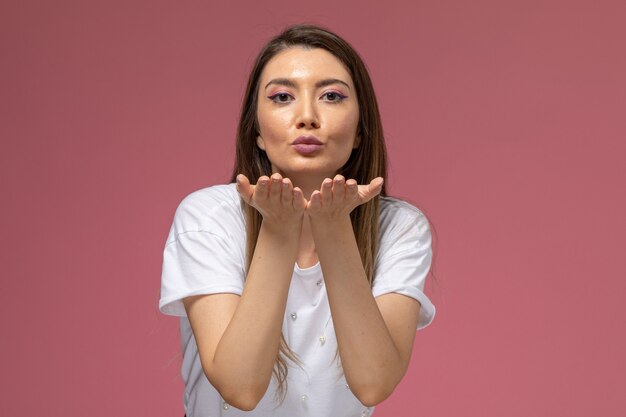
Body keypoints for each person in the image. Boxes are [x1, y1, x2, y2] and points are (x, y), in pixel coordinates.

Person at [159, 24, 436, 417]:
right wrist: (278, 228)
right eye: (283, 97)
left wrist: (334, 226)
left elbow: (374, 382)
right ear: (256, 130)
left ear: (360, 130)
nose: (307, 116)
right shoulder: (207, 217)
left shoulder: (400, 227)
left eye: (332, 96)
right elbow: (240, 386)